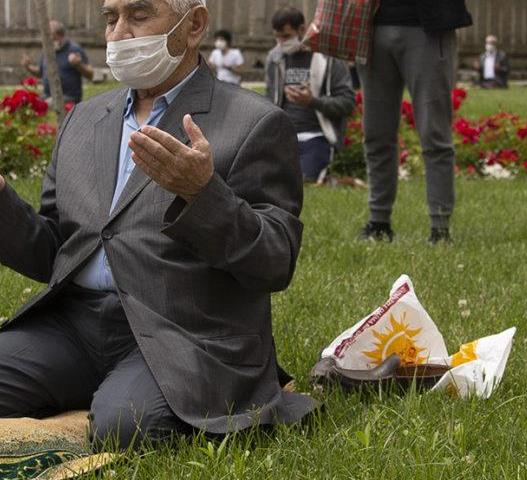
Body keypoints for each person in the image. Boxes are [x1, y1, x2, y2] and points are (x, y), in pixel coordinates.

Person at [0, 0, 317, 450]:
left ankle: (122, 393)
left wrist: (204, 194)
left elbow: (274, 261)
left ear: (195, 26)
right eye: (111, 18)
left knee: (124, 425)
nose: (119, 33)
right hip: (74, 326)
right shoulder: (83, 120)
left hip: (184, 332)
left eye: (139, 15)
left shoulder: (255, 122)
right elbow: (59, 251)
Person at [357, 0, 472, 244]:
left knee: (434, 132)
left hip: (428, 28)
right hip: (373, 26)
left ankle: (439, 228)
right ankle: (378, 222)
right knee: (376, 132)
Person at [266, 7, 355, 183]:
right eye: (277, 37)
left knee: (303, 180)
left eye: (285, 36)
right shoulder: (275, 58)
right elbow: (269, 101)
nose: (281, 42)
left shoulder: (328, 58)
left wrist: (312, 101)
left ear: (302, 30)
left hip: (317, 136)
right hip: (282, 138)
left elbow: (347, 103)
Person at [21, 20, 94, 104]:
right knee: (28, 103)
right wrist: (28, 66)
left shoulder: (74, 49)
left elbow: (90, 75)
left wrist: (78, 65)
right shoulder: (47, 50)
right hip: (47, 95)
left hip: (69, 97)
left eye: (48, 35)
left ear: (59, 36)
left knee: (45, 105)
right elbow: (40, 73)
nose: (45, 39)